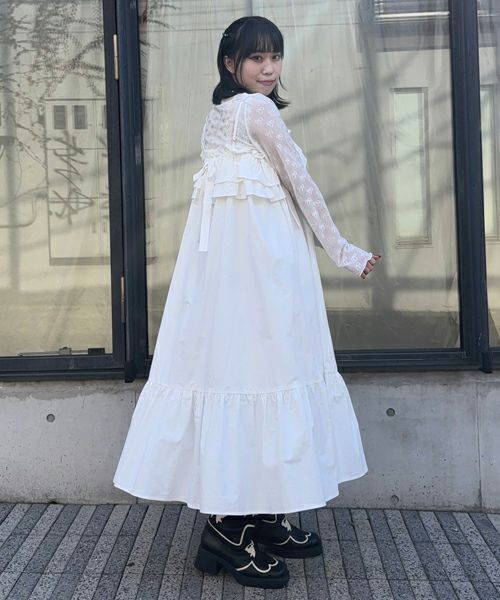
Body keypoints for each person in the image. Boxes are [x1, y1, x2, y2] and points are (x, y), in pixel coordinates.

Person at [113, 15, 380, 590]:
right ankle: (229, 529)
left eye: (275, 56)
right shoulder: (255, 111)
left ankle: (254, 513)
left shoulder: (221, 115)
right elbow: (300, 182)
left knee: (244, 371)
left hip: (233, 275)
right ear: (230, 63)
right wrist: (345, 251)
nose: (268, 67)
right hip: (261, 273)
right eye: (256, 58)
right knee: (267, 369)